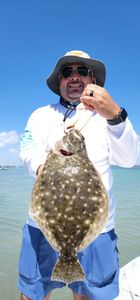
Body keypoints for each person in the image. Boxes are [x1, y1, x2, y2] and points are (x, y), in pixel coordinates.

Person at [18, 50, 139, 300]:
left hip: (97, 229)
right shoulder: (41, 115)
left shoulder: (108, 116)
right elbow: (27, 150)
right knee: (32, 294)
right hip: (42, 224)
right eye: (67, 72)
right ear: (59, 81)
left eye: (82, 71)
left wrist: (116, 116)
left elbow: (129, 159)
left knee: (90, 296)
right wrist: (47, 167)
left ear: (92, 80)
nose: (74, 77)